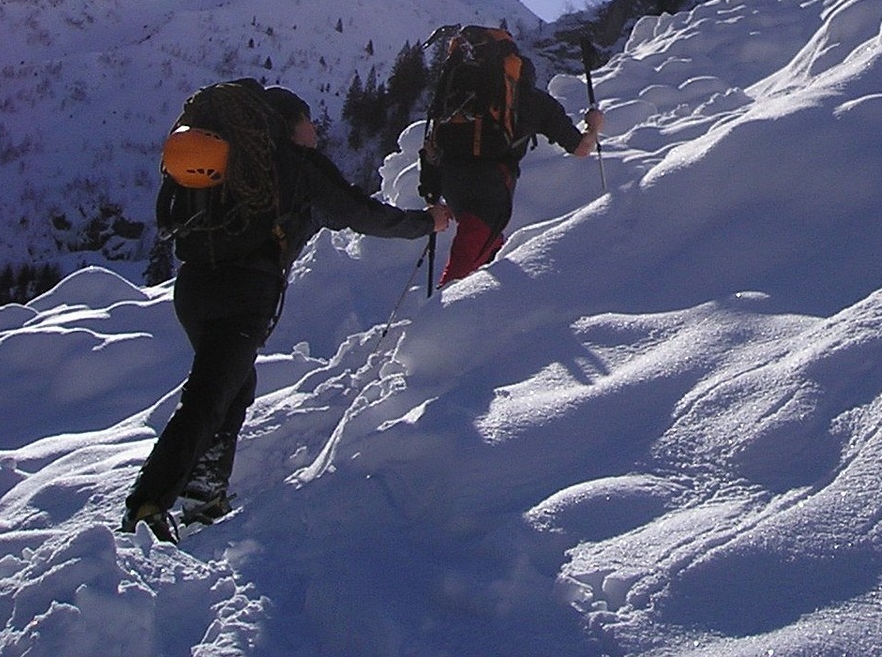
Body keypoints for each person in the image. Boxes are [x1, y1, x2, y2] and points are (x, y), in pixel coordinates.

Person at [122, 82, 449, 541]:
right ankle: (149, 502)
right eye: (308, 122)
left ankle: (205, 488)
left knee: (231, 386)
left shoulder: (235, 163)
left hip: (194, 288)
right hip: (245, 292)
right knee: (209, 397)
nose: (315, 130)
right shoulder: (296, 166)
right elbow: (360, 214)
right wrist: (424, 223)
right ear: (290, 126)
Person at [423, 30, 603, 286]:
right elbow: (581, 149)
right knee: (460, 273)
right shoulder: (532, 100)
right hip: (489, 189)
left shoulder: (462, 95)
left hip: (450, 181)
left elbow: (432, 142)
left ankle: (483, 311)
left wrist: (432, 192)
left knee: (488, 251)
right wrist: (594, 127)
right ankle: (436, 321)